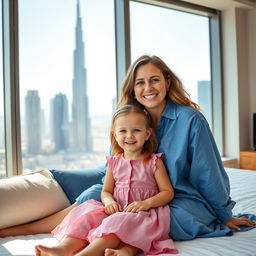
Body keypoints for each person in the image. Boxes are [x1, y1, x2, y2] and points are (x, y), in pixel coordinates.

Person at [0, 55, 255, 249]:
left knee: (157, 218)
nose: (148, 88)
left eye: (154, 79)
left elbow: (208, 172)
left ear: (167, 81)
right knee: (92, 198)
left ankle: (107, 247)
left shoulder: (191, 120)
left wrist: (224, 214)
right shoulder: (128, 119)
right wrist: (76, 182)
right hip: (130, 193)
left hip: (177, 197)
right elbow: (115, 166)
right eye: (140, 82)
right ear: (133, 89)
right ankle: (20, 229)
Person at [35, 104, 178, 256]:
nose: (129, 136)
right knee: (87, 214)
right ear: (115, 135)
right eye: (123, 131)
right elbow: (106, 191)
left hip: (143, 214)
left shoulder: (154, 162)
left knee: (117, 223)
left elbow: (167, 192)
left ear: (147, 134)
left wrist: (146, 203)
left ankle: (88, 254)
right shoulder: (114, 162)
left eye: (136, 130)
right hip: (117, 209)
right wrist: (109, 201)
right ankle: (64, 249)